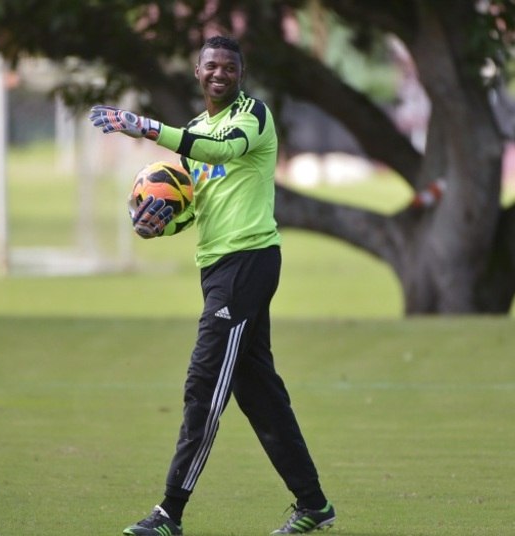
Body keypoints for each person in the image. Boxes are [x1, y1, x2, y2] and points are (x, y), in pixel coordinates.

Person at [89, 35, 335, 536]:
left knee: (203, 385)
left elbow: (221, 149)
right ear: (197, 73)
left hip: (250, 261)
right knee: (259, 393)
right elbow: (198, 206)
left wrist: (146, 128)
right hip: (218, 267)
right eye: (211, 65)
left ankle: (169, 513)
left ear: (239, 75)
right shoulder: (198, 127)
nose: (219, 73)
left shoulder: (253, 116)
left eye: (229, 66)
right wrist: (160, 223)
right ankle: (314, 506)